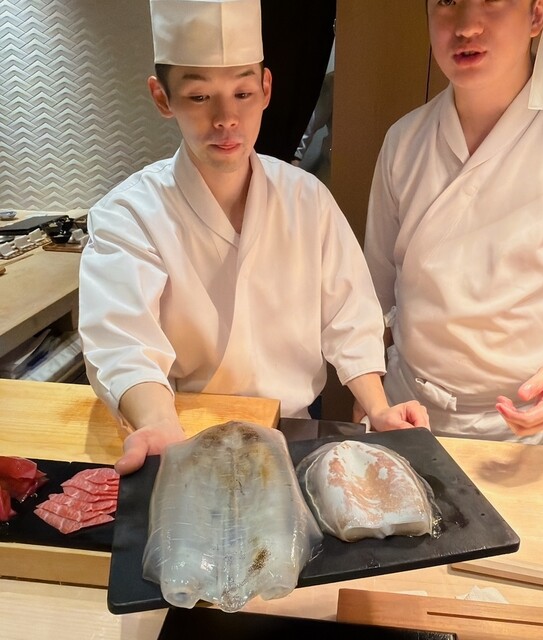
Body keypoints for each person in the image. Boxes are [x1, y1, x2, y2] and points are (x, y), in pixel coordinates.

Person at [79, 0, 428, 476]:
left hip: (294, 432)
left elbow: (350, 316)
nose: (226, 118)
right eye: (199, 97)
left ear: (266, 89)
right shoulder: (129, 214)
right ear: (162, 98)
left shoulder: (307, 198)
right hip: (182, 431)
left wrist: (378, 406)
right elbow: (123, 342)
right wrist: (158, 423)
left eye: (242, 93)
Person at [364, 0, 543, 445]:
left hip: (519, 428)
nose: (467, 26)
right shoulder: (404, 140)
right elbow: (374, 291)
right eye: (447, 1)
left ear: (537, 14)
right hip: (405, 408)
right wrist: (371, 392)